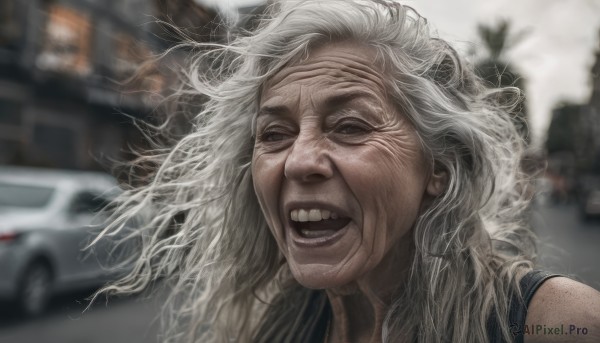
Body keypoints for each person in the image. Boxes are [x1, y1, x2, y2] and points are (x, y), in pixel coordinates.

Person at [99, 0, 600, 342]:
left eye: (351, 126)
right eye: (274, 134)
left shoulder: (558, 323)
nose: (298, 160)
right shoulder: (278, 326)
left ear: (439, 167)